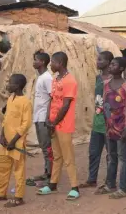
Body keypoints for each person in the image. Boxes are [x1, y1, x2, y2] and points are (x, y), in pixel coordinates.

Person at [37, 51, 80, 201]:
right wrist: (49, 120)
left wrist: (54, 122)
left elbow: (66, 105)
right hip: (53, 123)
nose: (51, 65)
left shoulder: (70, 81)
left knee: (68, 157)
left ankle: (75, 187)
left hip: (64, 125)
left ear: (60, 63)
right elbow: (52, 100)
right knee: (56, 156)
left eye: (53, 62)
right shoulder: (55, 79)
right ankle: (53, 184)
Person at [0, 74, 33, 208]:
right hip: (5, 143)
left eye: (10, 83)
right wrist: (2, 136)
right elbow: (5, 120)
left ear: (17, 86)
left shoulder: (25, 102)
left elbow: (26, 124)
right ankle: (1, 193)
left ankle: (18, 197)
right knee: (2, 167)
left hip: (16, 143)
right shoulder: (11, 98)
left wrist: (13, 141)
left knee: (19, 170)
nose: (7, 85)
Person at [95, 57, 126, 199]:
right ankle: (110, 184)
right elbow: (103, 105)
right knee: (111, 157)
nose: (110, 66)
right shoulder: (105, 84)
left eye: (113, 64)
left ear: (121, 69)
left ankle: (124, 188)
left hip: (122, 128)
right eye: (110, 63)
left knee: (123, 158)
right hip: (109, 128)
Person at [79, 51, 114, 188]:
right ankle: (92, 179)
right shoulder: (98, 78)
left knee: (111, 155)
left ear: (108, 62)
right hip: (98, 121)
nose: (97, 62)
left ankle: (109, 182)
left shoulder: (114, 79)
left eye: (100, 60)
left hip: (110, 123)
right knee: (93, 153)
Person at [26, 50, 53, 187]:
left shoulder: (47, 78)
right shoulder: (41, 77)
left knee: (47, 147)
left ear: (42, 62)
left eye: (36, 59)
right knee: (44, 146)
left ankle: (51, 176)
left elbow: (52, 98)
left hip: (44, 117)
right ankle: (47, 172)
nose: (34, 62)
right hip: (38, 116)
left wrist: (48, 118)